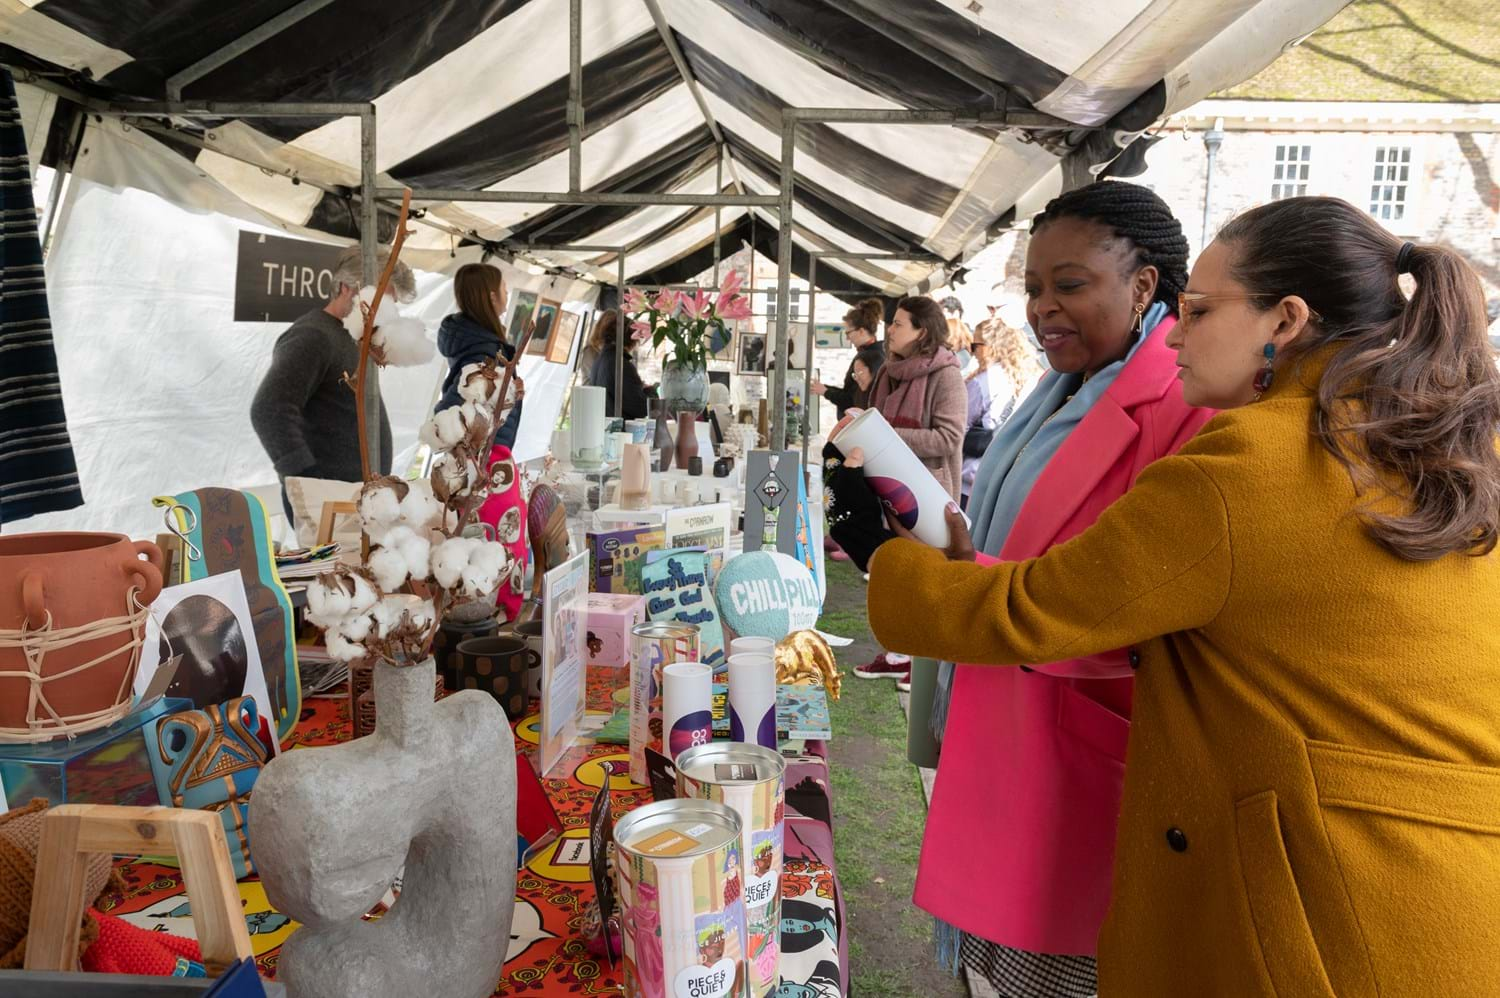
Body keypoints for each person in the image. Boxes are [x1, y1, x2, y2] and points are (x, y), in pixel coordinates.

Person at [867, 195, 1500, 997]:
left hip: (1322, 902)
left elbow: (1033, 609)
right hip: (1444, 873)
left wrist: (900, 565)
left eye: (1197, 310)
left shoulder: (1247, 461)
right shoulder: (1446, 439)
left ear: (1287, 319)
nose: (1177, 332)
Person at [869, 181, 1214, 997]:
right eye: (1031, 288)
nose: (1042, 308)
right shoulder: (1061, 388)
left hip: (1082, 753)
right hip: (1011, 715)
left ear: (1143, 287)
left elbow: (1134, 593)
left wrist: (963, 586)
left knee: (1062, 964)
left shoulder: (1183, 404)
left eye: (1069, 285)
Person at [849, 295, 966, 687]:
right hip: (887, 488)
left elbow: (948, 438)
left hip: (927, 497)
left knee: (925, 579)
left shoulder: (947, 374)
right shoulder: (887, 372)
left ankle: (922, 661)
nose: (890, 329)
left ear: (922, 331)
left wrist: (887, 437)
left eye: (899, 323)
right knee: (897, 574)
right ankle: (899, 655)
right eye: (892, 322)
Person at [251, 245, 413, 520]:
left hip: (351, 498)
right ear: (346, 287)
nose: (384, 313)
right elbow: (269, 408)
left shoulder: (349, 335)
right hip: (328, 500)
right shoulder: (314, 336)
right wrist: (307, 477)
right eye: (379, 301)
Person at [435, 263, 524, 448]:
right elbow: (449, 411)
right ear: (492, 297)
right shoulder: (484, 353)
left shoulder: (477, 341)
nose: (507, 295)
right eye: (504, 290)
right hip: (482, 458)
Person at [812, 298, 885, 418]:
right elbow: (851, 393)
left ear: (861, 331)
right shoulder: (875, 354)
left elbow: (853, 401)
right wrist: (825, 388)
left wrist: (826, 392)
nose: (847, 338)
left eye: (848, 333)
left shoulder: (869, 358)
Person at [588, 310, 650, 419]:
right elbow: (641, 408)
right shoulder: (621, 365)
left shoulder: (599, 360)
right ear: (632, 339)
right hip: (621, 432)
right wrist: (649, 390)